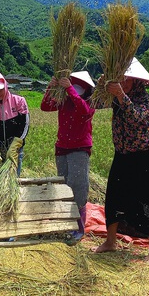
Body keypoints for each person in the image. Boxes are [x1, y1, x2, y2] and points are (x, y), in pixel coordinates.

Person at [91, 59, 149, 262]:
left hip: (143, 157)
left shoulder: (146, 100)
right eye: (120, 78)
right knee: (114, 196)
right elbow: (94, 104)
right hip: (121, 155)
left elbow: (136, 117)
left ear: (136, 81)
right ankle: (111, 241)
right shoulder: (115, 98)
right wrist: (101, 88)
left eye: (126, 79)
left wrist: (121, 95)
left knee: (148, 201)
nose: (123, 82)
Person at [40, 71, 96, 244]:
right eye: (73, 83)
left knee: (78, 186)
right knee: (64, 185)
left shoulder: (89, 102)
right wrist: (52, 86)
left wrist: (70, 89)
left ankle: (79, 228)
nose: (76, 87)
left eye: (79, 85)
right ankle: (67, 224)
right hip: (62, 147)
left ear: (86, 88)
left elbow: (84, 112)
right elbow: (45, 106)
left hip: (79, 147)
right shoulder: (63, 100)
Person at [0, 68, 30, 179]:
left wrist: (15, 145)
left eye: (0, 90)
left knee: (13, 180)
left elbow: (25, 125)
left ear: (5, 86)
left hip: (14, 149)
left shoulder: (19, 101)